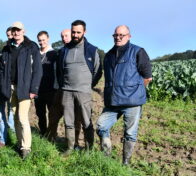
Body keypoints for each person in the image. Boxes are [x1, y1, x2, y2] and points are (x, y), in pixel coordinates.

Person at [96, 25, 152, 165]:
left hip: (132, 102)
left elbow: (147, 77)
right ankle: (106, 156)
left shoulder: (138, 52)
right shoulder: (108, 55)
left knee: (130, 133)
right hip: (113, 101)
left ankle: (125, 163)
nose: (118, 37)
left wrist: (134, 91)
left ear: (129, 36)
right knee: (101, 126)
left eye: (122, 35)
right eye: (116, 35)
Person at [57, 20, 102, 156]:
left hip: (83, 92)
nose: (75, 35)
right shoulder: (64, 50)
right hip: (66, 91)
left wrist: (88, 86)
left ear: (84, 32)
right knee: (69, 121)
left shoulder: (92, 50)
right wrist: (63, 86)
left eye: (78, 32)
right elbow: (59, 70)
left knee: (86, 121)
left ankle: (89, 150)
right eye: (73, 32)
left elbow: (98, 71)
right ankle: (70, 147)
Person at [0, 21, 42, 159]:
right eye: (14, 30)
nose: (16, 32)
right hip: (10, 87)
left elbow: (37, 70)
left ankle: (26, 148)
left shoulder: (31, 47)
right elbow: (1, 69)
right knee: (15, 117)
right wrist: (3, 85)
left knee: (23, 118)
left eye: (18, 30)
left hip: (24, 88)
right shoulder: (7, 48)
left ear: (23, 31)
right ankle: (19, 143)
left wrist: (34, 88)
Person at [35, 31, 58, 136]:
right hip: (38, 89)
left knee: (52, 114)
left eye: (43, 40)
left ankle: (52, 135)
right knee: (40, 113)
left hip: (50, 90)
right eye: (39, 40)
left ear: (48, 39)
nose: (41, 42)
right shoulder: (36, 54)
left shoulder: (54, 54)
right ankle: (43, 132)